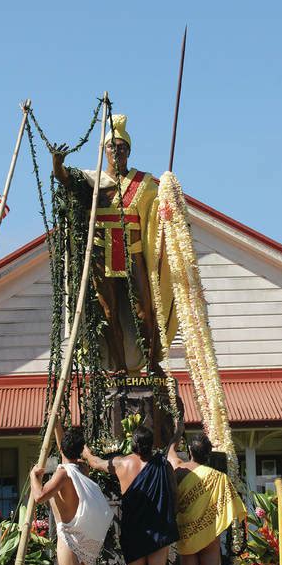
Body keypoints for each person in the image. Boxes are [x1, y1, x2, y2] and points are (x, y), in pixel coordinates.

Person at [52, 114, 177, 375]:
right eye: (112, 147)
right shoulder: (91, 180)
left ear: (128, 151)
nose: (116, 152)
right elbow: (65, 179)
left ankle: (152, 362)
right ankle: (119, 365)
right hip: (102, 252)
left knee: (145, 311)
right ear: (104, 151)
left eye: (121, 148)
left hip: (132, 253)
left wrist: (169, 203)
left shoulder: (144, 183)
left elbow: (160, 209)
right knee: (108, 313)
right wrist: (57, 163)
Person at [83, 426, 179, 565]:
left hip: (134, 531)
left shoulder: (121, 464)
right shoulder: (163, 465)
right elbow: (174, 494)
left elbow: (95, 463)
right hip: (158, 529)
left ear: (133, 444)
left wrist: (86, 452)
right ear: (151, 445)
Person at [30, 426, 113, 565]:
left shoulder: (63, 474)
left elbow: (39, 496)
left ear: (61, 451)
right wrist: (58, 425)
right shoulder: (82, 469)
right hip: (83, 532)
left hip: (68, 534)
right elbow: (66, 454)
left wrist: (34, 478)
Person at [167, 425, 246, 565]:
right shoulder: (219, 477)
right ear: (208, 454)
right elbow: (234, 505)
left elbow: (169, 453)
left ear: (189, 452)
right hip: (210, 535)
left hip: (187, 535)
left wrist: (177, 432)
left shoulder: (179, 471)